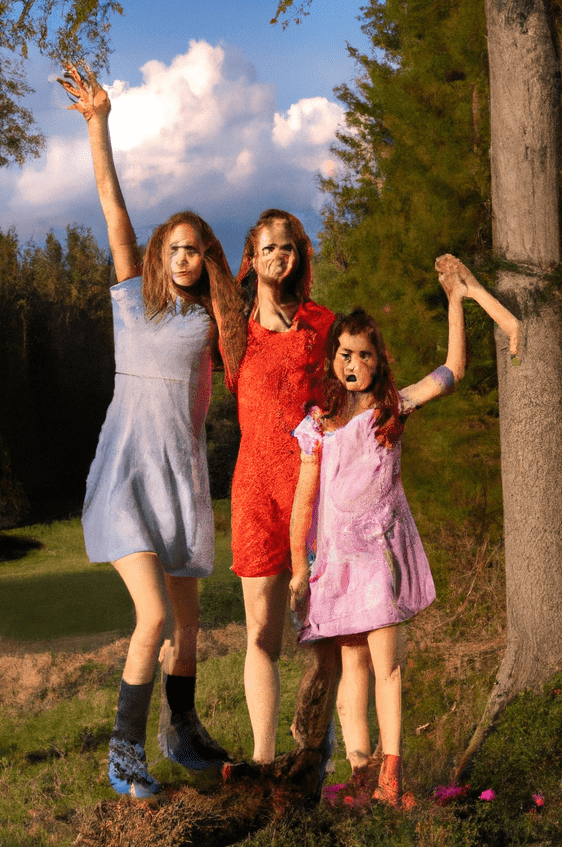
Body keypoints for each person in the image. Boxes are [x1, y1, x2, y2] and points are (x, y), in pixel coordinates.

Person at [59, 66, 246, 798]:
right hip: (127, 477)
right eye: (175, 246)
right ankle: (122, 755)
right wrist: (100, 122)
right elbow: (112, 204)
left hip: (181, 479)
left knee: (189, 628)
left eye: (196, 248)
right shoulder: (134, 301)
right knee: (151, 617)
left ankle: (183, 733)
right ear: (159, 254)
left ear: (205, 260)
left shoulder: (213, 321)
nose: (184, 256)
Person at [288, 257, 514, 809]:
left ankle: (392, 779)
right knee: (352, 668)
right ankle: (361, 776)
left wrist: (455, 299)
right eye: (345, 354)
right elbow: (303, 501)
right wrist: (299, 569)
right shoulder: (318, 426)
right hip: (337, 565)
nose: (353, 364)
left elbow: (453, 370)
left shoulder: (394, 408)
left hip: (379, 559)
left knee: (387, 666)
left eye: (364, 355)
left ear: (377, 363)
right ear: (333, 359)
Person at [229, 209, 339, 764]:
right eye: (269, 247)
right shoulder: (232, 330)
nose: (279, 255)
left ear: (301, 256)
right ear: (252, 256)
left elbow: (356, 387)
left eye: (288, 247)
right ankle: (264, 763)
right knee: (260, 631)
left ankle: (321, 758)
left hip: (311, 492)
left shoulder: (322, 323)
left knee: (326, 633)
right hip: (252, 490)